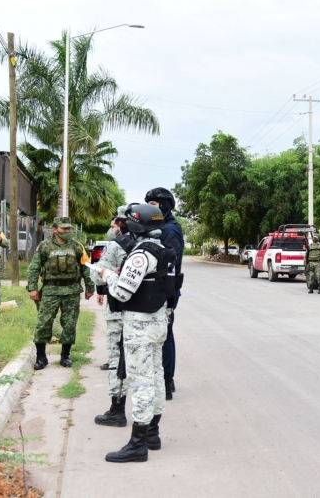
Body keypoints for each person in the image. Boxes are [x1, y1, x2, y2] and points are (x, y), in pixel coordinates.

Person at [96, 203, 177, 463]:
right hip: (158, 323)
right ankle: (152, 434)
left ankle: (137, 444)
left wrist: (108, 275)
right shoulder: (165, 250)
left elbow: (121, 292)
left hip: (139, 327)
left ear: (135, 225)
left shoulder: (141, 254)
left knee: (141, 382)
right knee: (155, 378)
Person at [27, 217, 94, 370]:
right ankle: (41, 358)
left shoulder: (77, 246)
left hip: (71, 290)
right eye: (64, 229)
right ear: (55, 229)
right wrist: (33, 288)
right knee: (43, 323)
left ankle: (65, 356)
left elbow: (85, 267)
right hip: (50, 290)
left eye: (69, 229)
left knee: (69, 324)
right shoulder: (44, 246)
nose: (67, 231)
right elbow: (34, 268)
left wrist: (90, 288)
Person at [92, 205, 135, 428]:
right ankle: (147, 419)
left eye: (115, 223)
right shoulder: (152, 246)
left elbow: (98, 276)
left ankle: (117, 411)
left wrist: (109, 274)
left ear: (121, 224)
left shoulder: (117, 246)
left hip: (119, 312)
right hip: (145, 314)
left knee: (119, 362)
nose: (114, 227)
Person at [145, 187, 184, 400]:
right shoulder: (160, 227)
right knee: (161, 335)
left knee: (166, 335)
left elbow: (171, 262)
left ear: (164, 205)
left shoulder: (171, 229)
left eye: (153, 204)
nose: (148, 208)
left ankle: (167, 382)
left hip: (167, 288)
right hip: (160, 287)